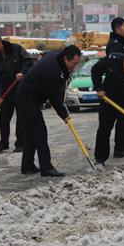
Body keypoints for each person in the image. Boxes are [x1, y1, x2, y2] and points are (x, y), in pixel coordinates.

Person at [16, 46, 82, 177]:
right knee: (40, 132)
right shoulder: (52, 70)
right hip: (27, 99)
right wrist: (64, 114)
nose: (74, 67)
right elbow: (54, 97)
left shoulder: (58, 58)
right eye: (73, 64)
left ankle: (27, 166)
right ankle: (46, 168)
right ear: (65, 58)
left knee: (31, 134)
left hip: (30, 97)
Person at [0, 32, 34, 153]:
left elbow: (29, 61)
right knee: (3, 118)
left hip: (20, 88)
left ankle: (20, 143)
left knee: (21, 118)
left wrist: (22, 72)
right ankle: (3, 143)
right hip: (7, 90)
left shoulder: (16, 49)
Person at [106, 17, 124, 158]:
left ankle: (121, 147)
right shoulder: (114, 44)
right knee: (110, 122)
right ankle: (115, 149)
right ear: (117, 29)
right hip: (116, 87)